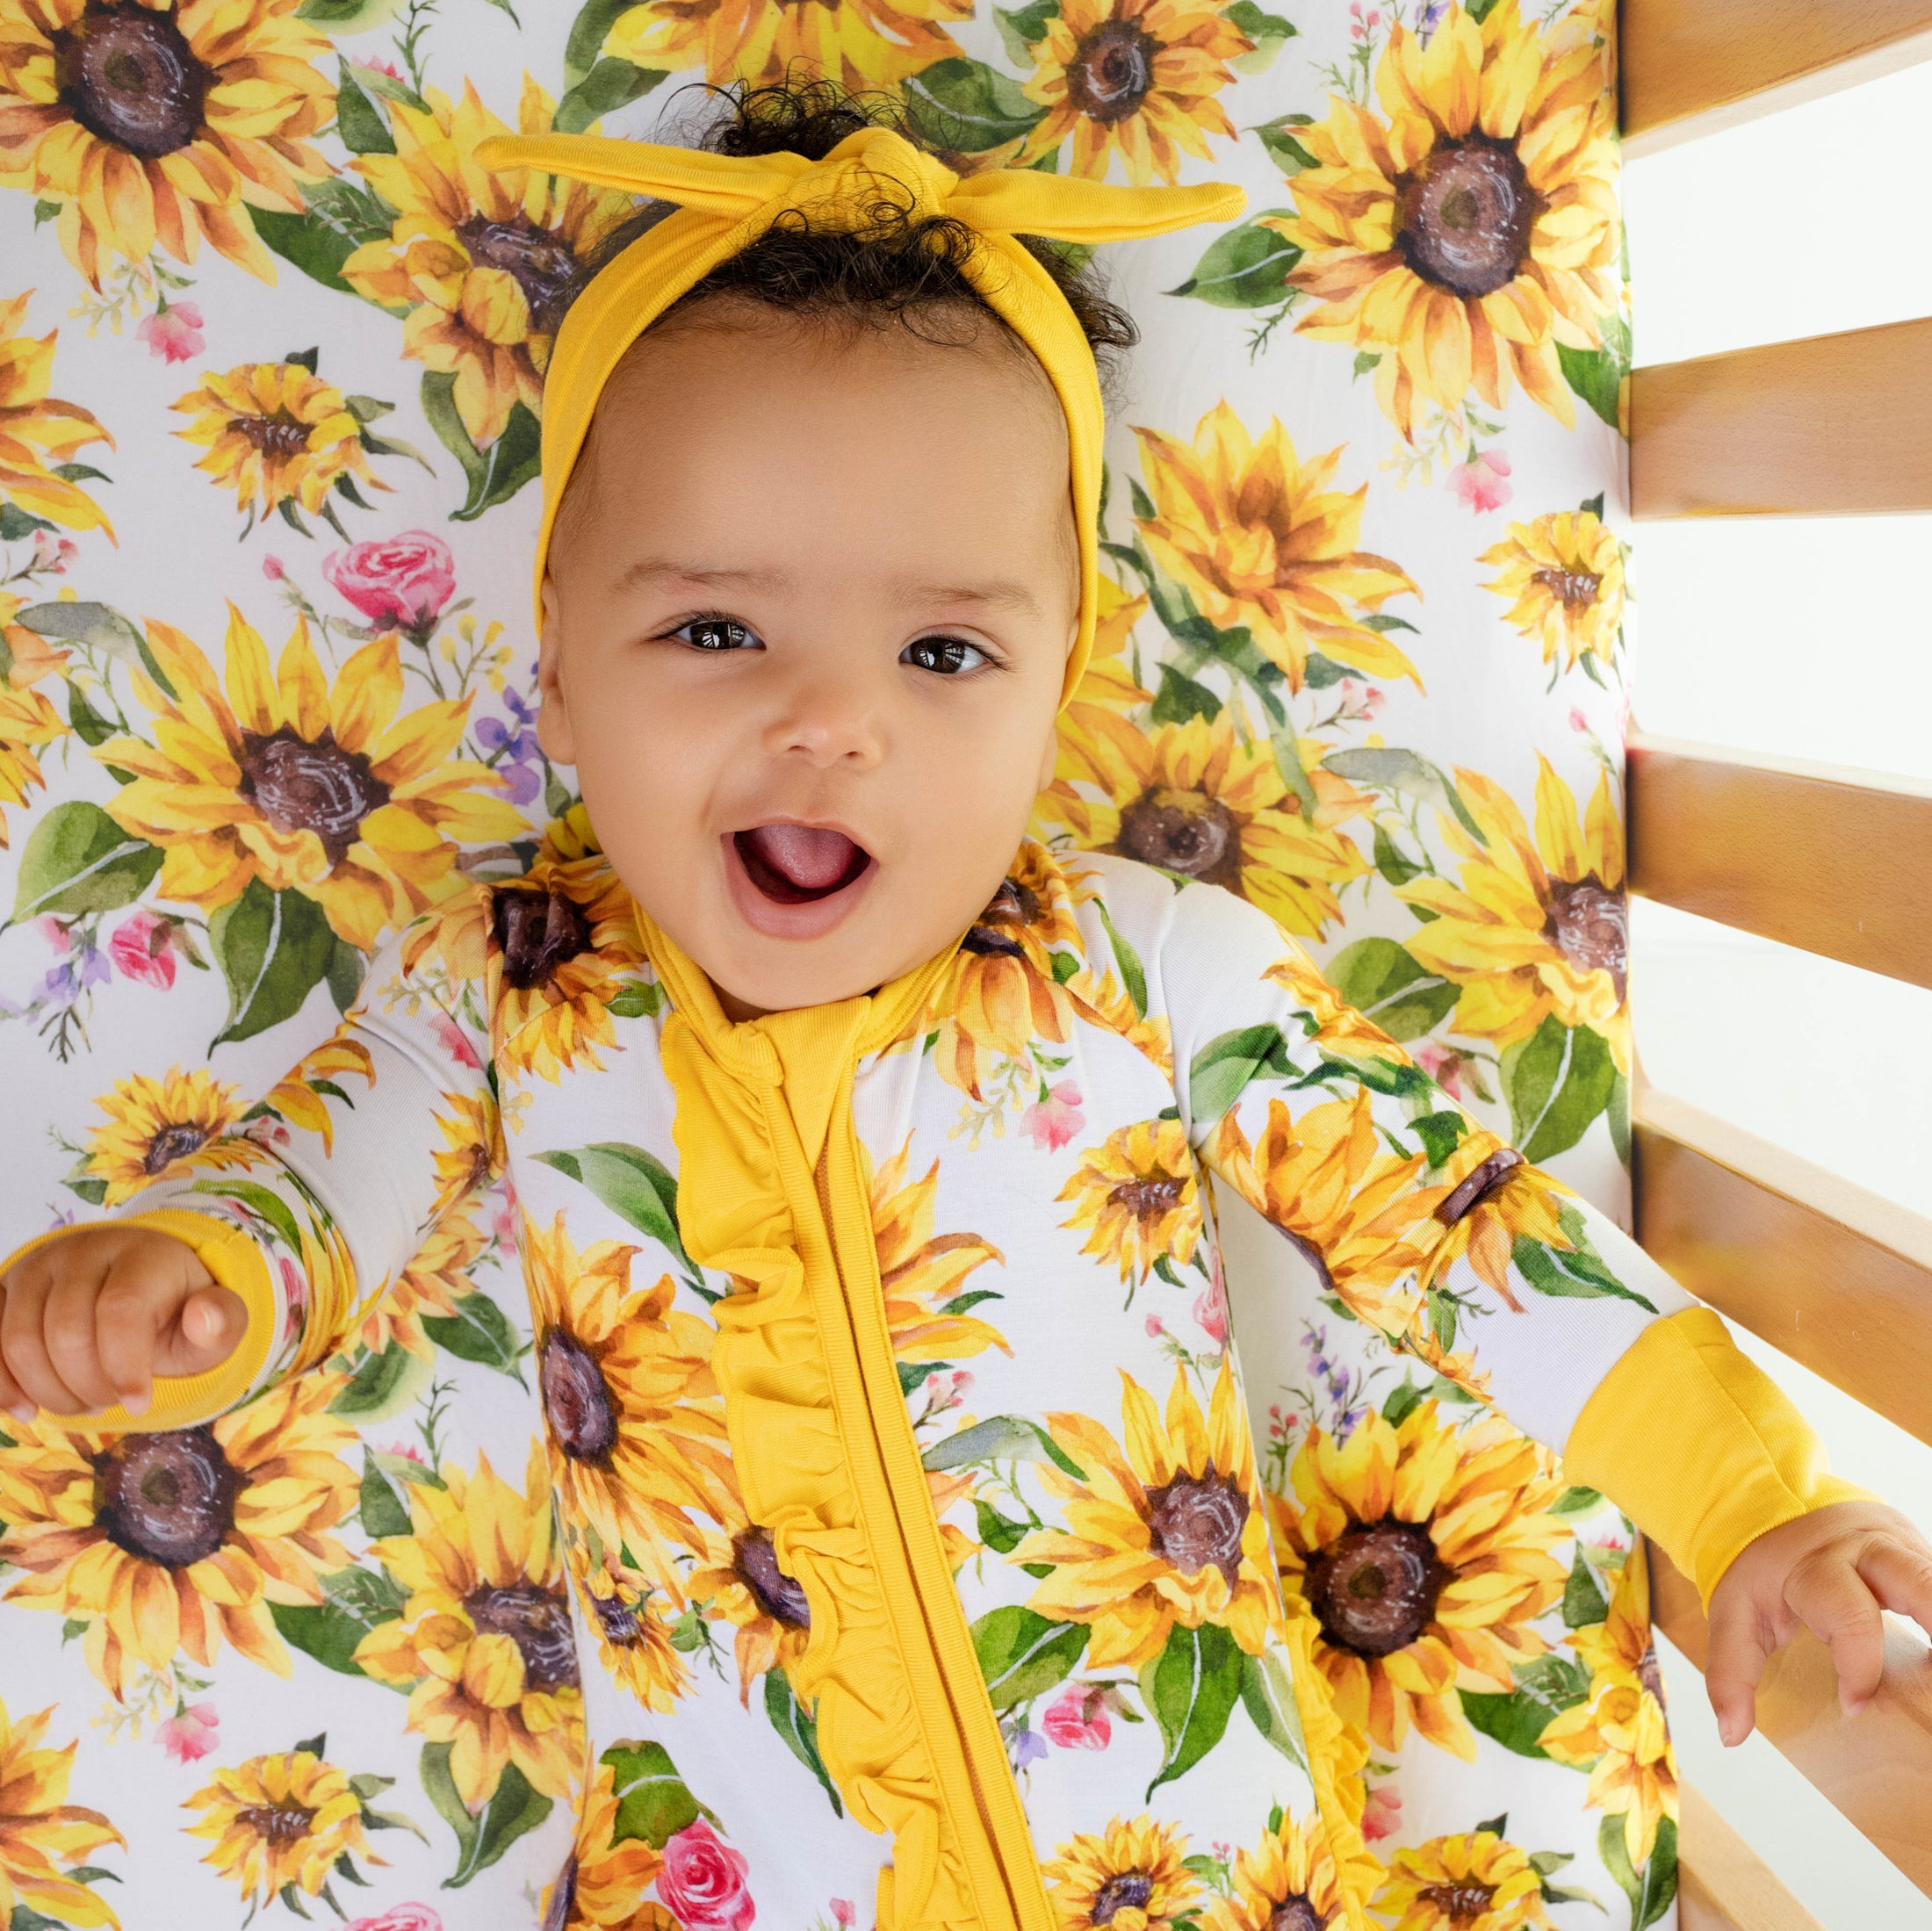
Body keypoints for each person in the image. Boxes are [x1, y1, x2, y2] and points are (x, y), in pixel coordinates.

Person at [2, 75, 1927, 1931]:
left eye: (941, 649)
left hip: (1189, 1869)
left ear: (1055, 693)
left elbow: (1462, 1226)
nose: (826, 718)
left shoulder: (1137, 967)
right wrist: (197, 1266)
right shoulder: (508, 987)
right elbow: (319, 1176)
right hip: (731, 1871)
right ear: (559, 668)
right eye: (711, 628)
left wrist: (1742, 1497)